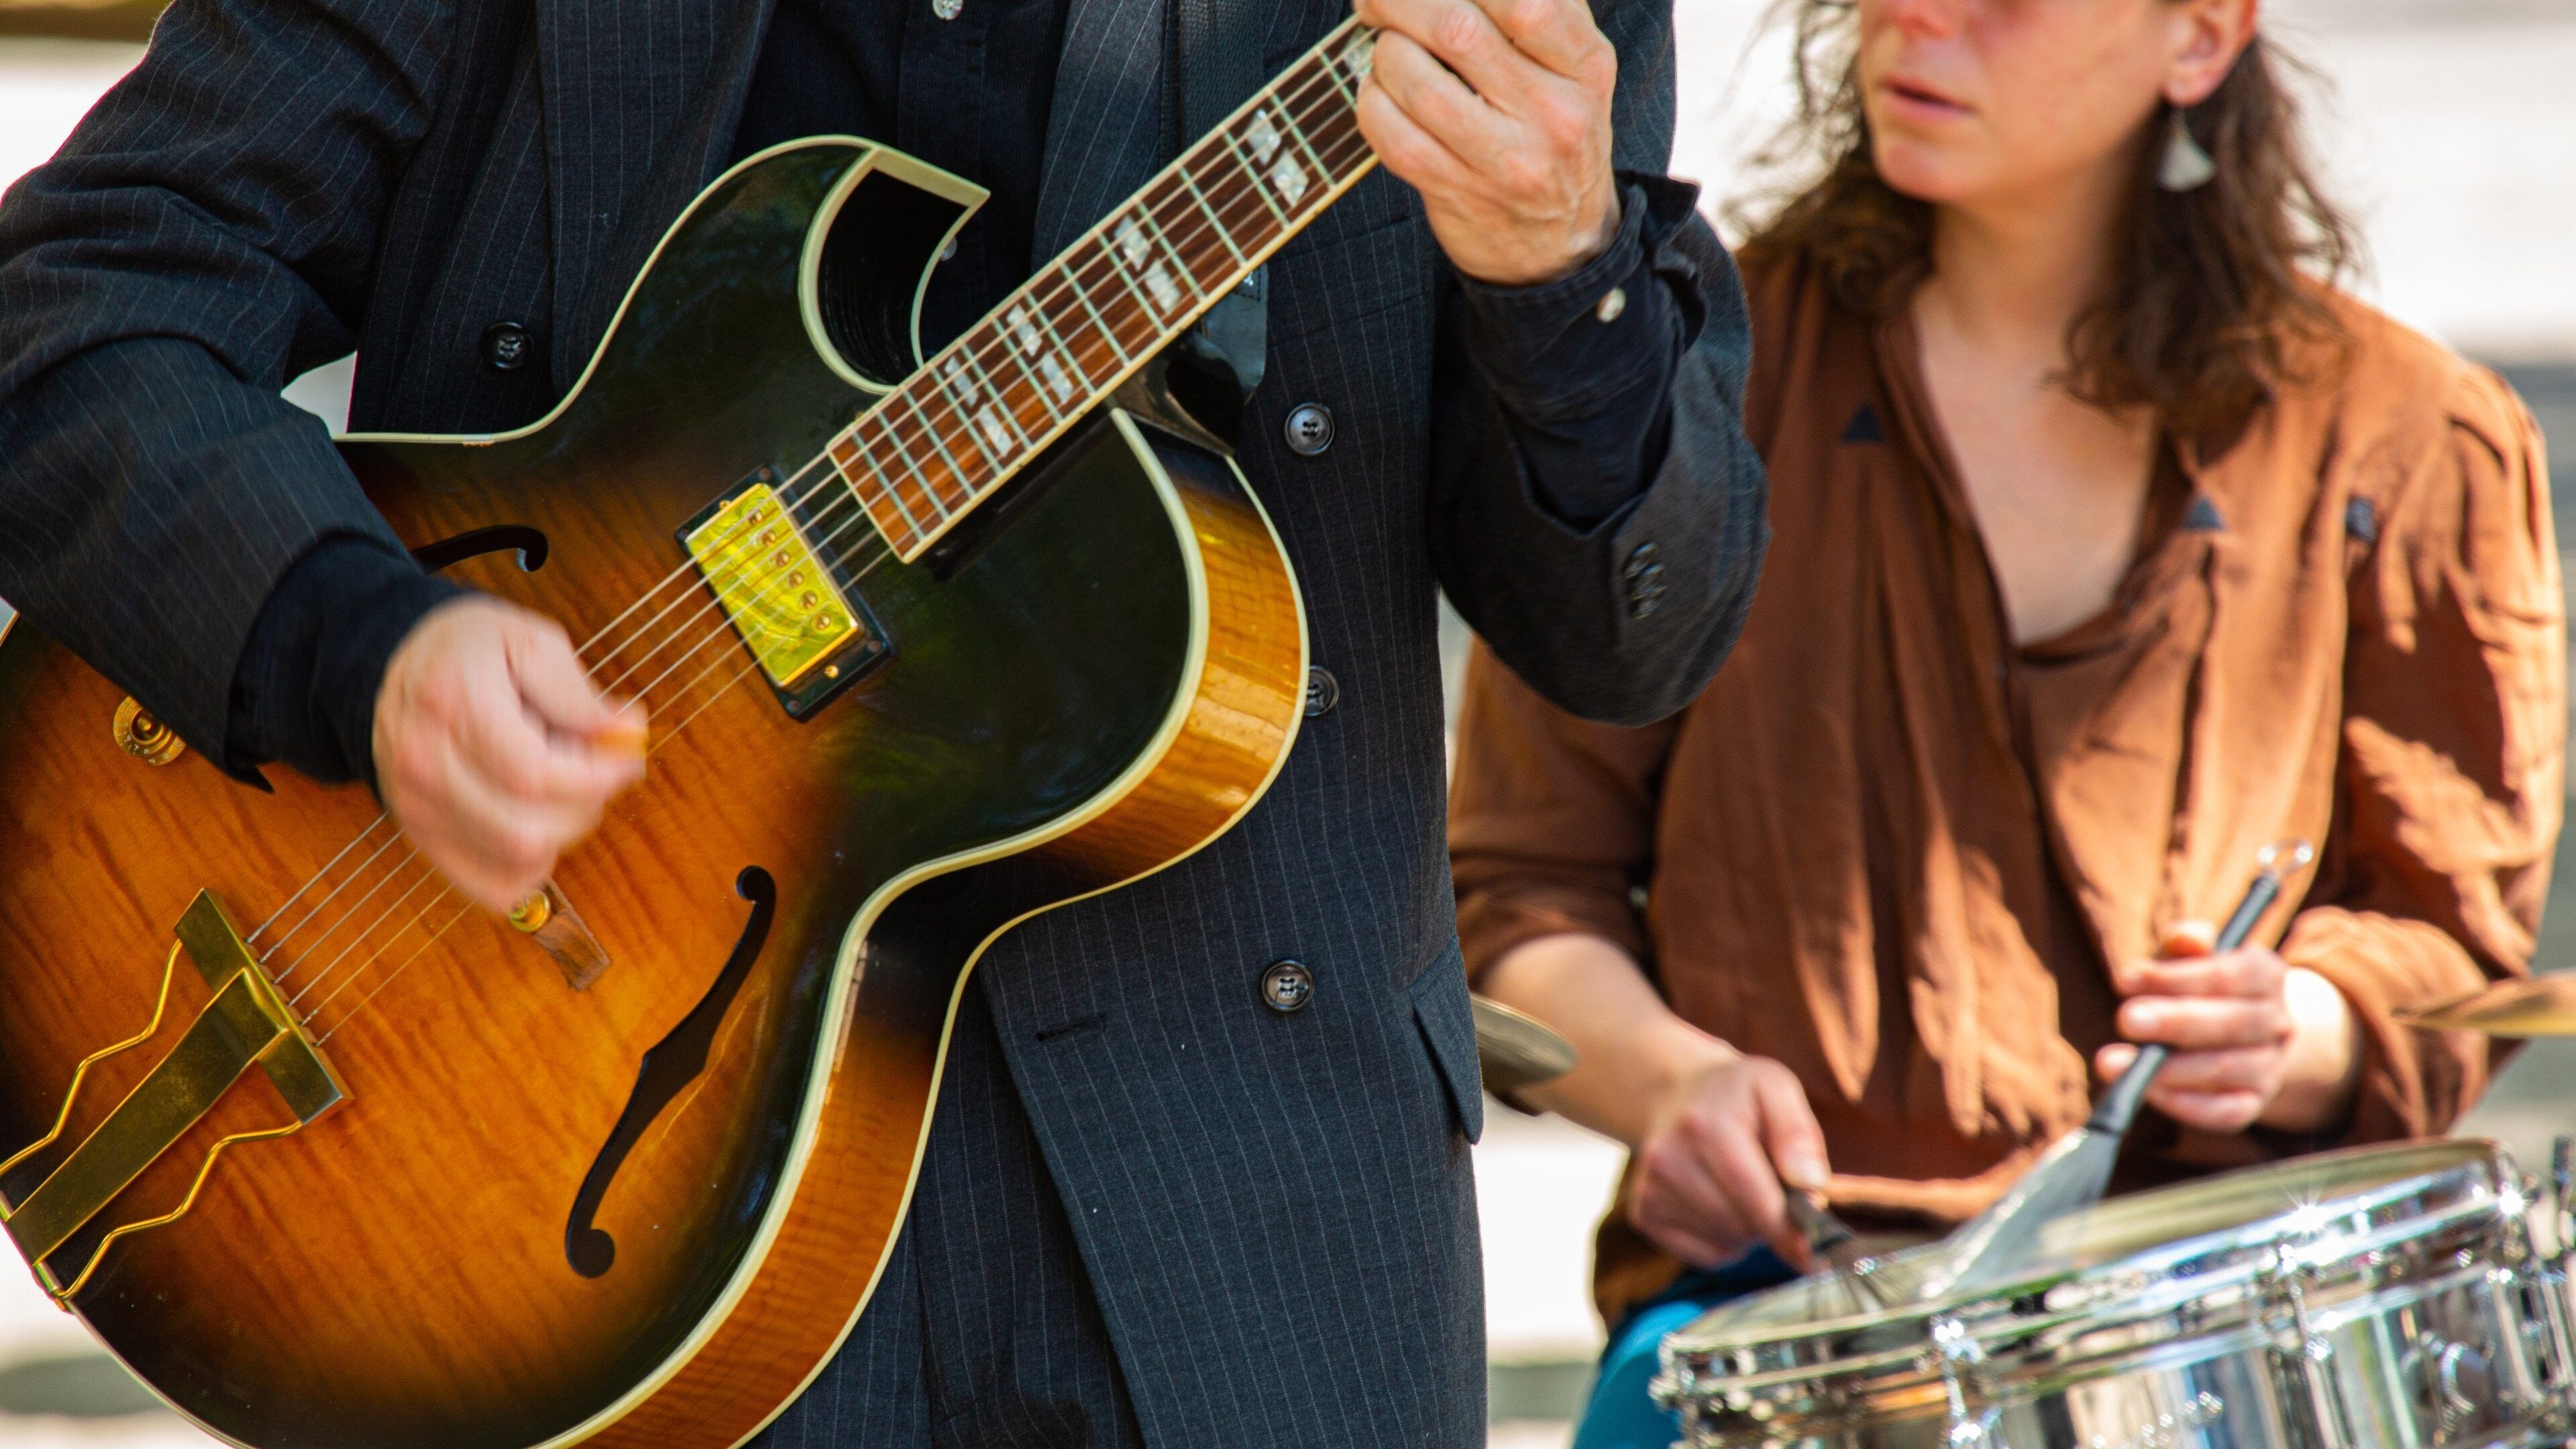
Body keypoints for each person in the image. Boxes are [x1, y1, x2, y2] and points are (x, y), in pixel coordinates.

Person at [0, 0, 1770, 1442]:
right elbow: (77, 305)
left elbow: (1644, 632)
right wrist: (362, 645)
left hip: (1250, 1237)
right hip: (560, 1164)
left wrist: (1566, 278)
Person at [1448, 0, 2563, 1444]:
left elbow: (2464, 952)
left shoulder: (2412, 437)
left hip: (2225, 1329)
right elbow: (1518, 888)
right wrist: (1678, 1086)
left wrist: (2306, 1027)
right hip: (1787, 1312)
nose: (1917, 13)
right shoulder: (1685, 387)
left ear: (2200, 38)